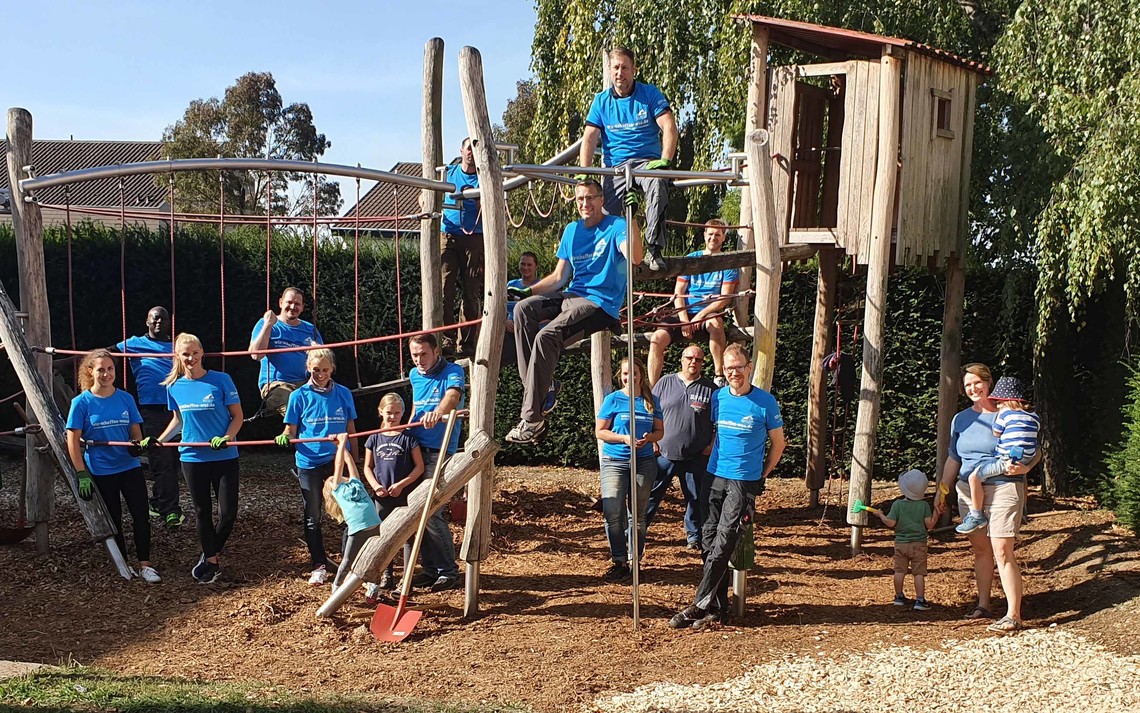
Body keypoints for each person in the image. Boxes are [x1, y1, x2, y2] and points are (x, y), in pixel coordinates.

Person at [505, 179, 643, 444]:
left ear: (601, 200)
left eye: (590, 198)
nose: (585, 204)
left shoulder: (616, 225)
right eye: (580, 199)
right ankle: (544, 389)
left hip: (600, 304)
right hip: (572, 294)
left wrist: (632, 218)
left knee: (547, 335)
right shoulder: (572, 230)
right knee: (522, 309)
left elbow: (635, 258)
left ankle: (532, 419)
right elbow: (558, 277)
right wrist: (528, 292)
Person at [668, 344, 785, 630]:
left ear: (749, 368)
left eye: (739, 367)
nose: (735, 372)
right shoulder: (718, 398)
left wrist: (760, 475)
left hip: (743, 481)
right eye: (729, 368)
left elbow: (779, 444)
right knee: (708, 540)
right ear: (724, 371)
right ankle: (716, 609)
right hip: (714, 475)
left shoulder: (765, 402)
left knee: (724, 542)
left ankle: (698, 604)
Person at [933, 363, 1039, 633]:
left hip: (1005, 486)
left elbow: (1034, 447)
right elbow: (953, 458)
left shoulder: (1010, 412)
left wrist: (1026, 468)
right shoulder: (960, 419)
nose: (972, 389)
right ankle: (983, 605)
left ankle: (1013, 614)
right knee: (981, 550)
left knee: (1002, 550)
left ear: (989, 383)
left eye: (977, 383)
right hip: (968, 491)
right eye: (967, 385)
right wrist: (942, 491)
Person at [65, 349, 161, 583]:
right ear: (91, 371)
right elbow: (72, 441)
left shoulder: (125, 398)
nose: (106, 374)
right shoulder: (81, 403)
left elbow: (135, 434)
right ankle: (123, 564)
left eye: (110, 369)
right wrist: (81, 474)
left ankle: (145, 565)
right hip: (101, 469)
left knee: (140, 515)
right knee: (114, 518)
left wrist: (139, 446)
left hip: (128, 466)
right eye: (101, 369)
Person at [580, 46, 679, 272]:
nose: (620, 73)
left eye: (625, 67)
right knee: (602, 206)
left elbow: (669, 126)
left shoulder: (649, 94)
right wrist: (585, 173)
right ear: (609, 70)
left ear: (633, 69)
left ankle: (654, 248)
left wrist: (665, 160)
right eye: (616, 67)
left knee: (658, 183)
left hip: (647, 162)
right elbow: (589, 139)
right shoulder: (601, 101)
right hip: (616, 167)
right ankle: (607, 254)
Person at [155, 333, 243, 584]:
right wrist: (160, 441)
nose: (191, 358)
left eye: (194, 352)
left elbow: (237, 416)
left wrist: (227, 437)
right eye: (185, 354)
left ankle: (208, 555)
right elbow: (178, 421)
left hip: (224, 454)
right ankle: (213, 562)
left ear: (202, 352)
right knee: (202, 511)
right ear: (178, 357)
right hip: (193, 457)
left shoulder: (221, 380)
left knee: (228, 512)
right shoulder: (174, 387)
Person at [276, 348, 358, 586]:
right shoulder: (299, 395)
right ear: (308, 369)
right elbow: (290, 428)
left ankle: (350, 561)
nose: (320, 374)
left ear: (332, 368)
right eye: (315, 370)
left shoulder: (343, 393)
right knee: (313, 515)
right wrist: (284, 435)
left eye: (324, 369)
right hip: (309, 461)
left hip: (338, 459)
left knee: (350, 511)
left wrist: (357, 458)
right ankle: (319, 565)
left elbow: (351, 428)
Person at [594, 357, 664, 581]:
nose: (629, 377)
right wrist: (623, 438)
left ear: (640, 374)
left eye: (633, 372)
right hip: (615, 461)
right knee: (612, 511)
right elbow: (600, 432)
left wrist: (649, 438)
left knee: (639, 515)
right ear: (620, 376)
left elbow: (660, 431)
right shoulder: (613, 399)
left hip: (643, 462)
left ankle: (635, 561)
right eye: (625, 373)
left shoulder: (651, 401)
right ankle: (619, 560)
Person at [114, 305, 183, 528]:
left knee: (174, 460)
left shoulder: (177, 347)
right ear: (147, 321)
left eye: (162, 319)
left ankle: (157, 502)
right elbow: (103, 355)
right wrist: (58, 362)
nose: (158, 322)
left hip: (178, 409)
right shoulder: (134, 343)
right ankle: (170, 510)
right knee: (161, 459)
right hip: (152, 410)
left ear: (169, 322)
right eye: (154, 319)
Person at [647, 220, 738, 386]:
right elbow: (678, 293)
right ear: (704, 235)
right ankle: (653, 389)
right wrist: (684, 320)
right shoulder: (690, 259)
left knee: (716, 324)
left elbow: (725, 298)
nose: (713, 238)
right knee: (657, 338)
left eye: (717, 234)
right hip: (684, 311)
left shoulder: (729, 263)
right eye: (710, 234)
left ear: (724, 237)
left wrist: (700, 316)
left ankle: (719, 376)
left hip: (708, 311)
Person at [406, 333, 464, 592]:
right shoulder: (414, 374)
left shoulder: (453, 371)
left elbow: (452, 397)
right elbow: (416, 406)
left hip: (439, 448)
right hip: (415, 447)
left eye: (423, 354)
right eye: (414, 355)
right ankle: (431, 569)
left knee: (431, 510)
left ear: (436, 351)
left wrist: (438, 413)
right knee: (416, 512)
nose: (419, 360)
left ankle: (448, 571)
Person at [646, 345, 716, 550]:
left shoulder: (710, 389)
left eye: (698, 359)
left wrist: (711, 445)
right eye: (689, 358)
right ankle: (636, 531)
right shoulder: (664, 383)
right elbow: (650, 413)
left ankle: (694, 536)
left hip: (696, 455)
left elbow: (718, 423)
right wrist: (653, 441)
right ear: (681, 359)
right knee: (651, 494)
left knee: (696, 499)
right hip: (664, 453)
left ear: (703, 363)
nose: (693, 362)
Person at [956, 376, 1041, 535]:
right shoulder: (1034, 416)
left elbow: (996, 432)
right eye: (968, 384)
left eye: (999, 401)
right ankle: (1023, 510)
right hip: (1024, 458)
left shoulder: (1005, 414)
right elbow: (1036, 442)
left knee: (974, 477)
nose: (998, 404)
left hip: (1004, 463)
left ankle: (976, 515)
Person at [362, 392, 425, 597]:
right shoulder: (374, 438)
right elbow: (368, 467)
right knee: (384, 535)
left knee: (407, 535)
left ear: (403, 413)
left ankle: (406, 580)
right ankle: (386, 575)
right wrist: (375, 486)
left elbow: (419, 467)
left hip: (404, 494)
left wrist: (402, 483)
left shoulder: (408, 438)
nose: (393, 417)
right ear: (381, 412)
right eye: (389, 413)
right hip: (382, 495)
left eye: (397, 413)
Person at [248, 287, 323, 417]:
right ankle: (301, 436)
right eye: (289, 302)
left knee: (333, 401)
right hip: (277, 385)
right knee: (296, 409)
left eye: (297, 304)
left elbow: (324, 361)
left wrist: (318, 352)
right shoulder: (266, 324)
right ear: (281, 303)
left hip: (306, 383)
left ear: (302, 307)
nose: (293, 306)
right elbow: (256, 355)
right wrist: (268, 325)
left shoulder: (310, 329)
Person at [871, 469, 939, 610]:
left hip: (901, 544)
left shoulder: (897, 505)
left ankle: (898, 596)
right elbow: (930, 524)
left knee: (899, 571)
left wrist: (880, 515)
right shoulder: (924, 505)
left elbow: (891, 523)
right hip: (919, 544)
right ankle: (920, 600)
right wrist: (937, 512)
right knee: (919, 573)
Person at [441, 137, 484, 357]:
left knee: (471, 292)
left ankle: (466, 342)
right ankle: (446, 337)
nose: (471, 153)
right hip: (449, 235)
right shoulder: (448, 172)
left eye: (475, 150)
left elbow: (492, 207)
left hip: (475, 236)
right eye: (469, 149)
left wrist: (481, 204)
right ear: (461, 150)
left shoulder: (484, 177)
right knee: (445, 287)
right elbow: (427, 194)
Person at [324, 433, 382, 593]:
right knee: (348, 560)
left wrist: (340, 445)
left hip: (375, 524)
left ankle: (373, 587)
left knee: (373, 558)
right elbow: (339, 464)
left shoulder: (355, 482)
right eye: (329, 480)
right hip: (357, 528)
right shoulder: (337, 489)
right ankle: (336, 586)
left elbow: (349, 462)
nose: (331, 478)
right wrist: (342, 443)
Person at [502, 251, 540, 367]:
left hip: (526, 328)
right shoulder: (511, 284)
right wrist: (506, 320)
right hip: (507, 327)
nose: (525, 268)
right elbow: (499, 306)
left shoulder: (540, 285)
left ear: (536, 266)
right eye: (523, 264)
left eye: (529, 265)